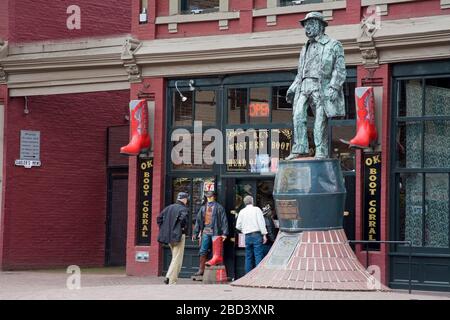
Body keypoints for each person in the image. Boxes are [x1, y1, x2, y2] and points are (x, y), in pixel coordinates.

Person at [286, 11, 346, 160]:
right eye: (306, 25)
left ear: (320, 26)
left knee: (320, 121)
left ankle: (321, 150)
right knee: (298, 116)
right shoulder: (304, 48)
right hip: (304, 86)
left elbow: (339, 70)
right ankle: (300, 148)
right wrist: (293, 87)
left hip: (321, 87)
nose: (307, 28)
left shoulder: (333, 45)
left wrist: (334, 87)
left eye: (311, 24)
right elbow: (300, 72)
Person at [192, 190, 228, 277]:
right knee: (203, 250)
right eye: (208, 197)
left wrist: (225, 233)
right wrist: (195, 233)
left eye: (210, 197)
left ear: (214, 197)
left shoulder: (219, 207)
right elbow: (198, 221)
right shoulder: (203, 208)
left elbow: (224, 220)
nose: (209, 198)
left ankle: (216, 270)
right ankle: (201, 269)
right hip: (206, 231)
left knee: (217, 251)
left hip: (216, 232)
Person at [157, 192, 189, 285]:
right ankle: (171, 279)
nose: (187, 201)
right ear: (184, 199)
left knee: (175, 257)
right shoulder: (183, 209)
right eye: (186, 199)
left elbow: (159, 218)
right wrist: (180, 228)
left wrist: (165, 229)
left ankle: (169, 277)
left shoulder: (168, 208)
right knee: (177, 258)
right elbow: (183, 220)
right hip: (178, 236)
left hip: (169, 236)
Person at [235, 195, 268, 274]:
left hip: (247, 236)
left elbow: (238, 226)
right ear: (252, 201)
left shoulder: (242, 211)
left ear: (244, 202)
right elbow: (261, 223)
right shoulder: (257, 210)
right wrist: (264, 234)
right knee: (258, 255)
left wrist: (244, 230)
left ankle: (248, 275)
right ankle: (258, 274)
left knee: (248, 256)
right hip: (256, 235)